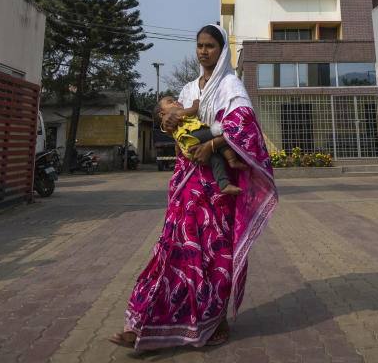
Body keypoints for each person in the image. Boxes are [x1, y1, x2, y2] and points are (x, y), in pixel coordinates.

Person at [110, 24, 277, 350]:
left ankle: (215, 320)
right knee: (173, 253)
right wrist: (169, 124)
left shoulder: (231, 87)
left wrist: (213, 146)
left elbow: (246, 130)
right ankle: (142, 323)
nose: (204, 51)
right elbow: (181, 130)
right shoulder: (188, 91)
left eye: (210, 46)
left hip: (217, 190)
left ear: (222, 50)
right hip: (186, 188)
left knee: (213, 257)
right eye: (200, 46)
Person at [153, 96, 246, 196]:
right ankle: (232, 160)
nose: (175, 102)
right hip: (195, 135)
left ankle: (224, 185)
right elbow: (193, 111)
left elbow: (177, 146)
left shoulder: (170, 128)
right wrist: (195, 104)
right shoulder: (175, 113)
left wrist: (179, 157)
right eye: (170, 102)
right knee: (217, 133)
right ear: (162, 114)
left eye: (175, 100)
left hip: (188, 148)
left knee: (216, 160)